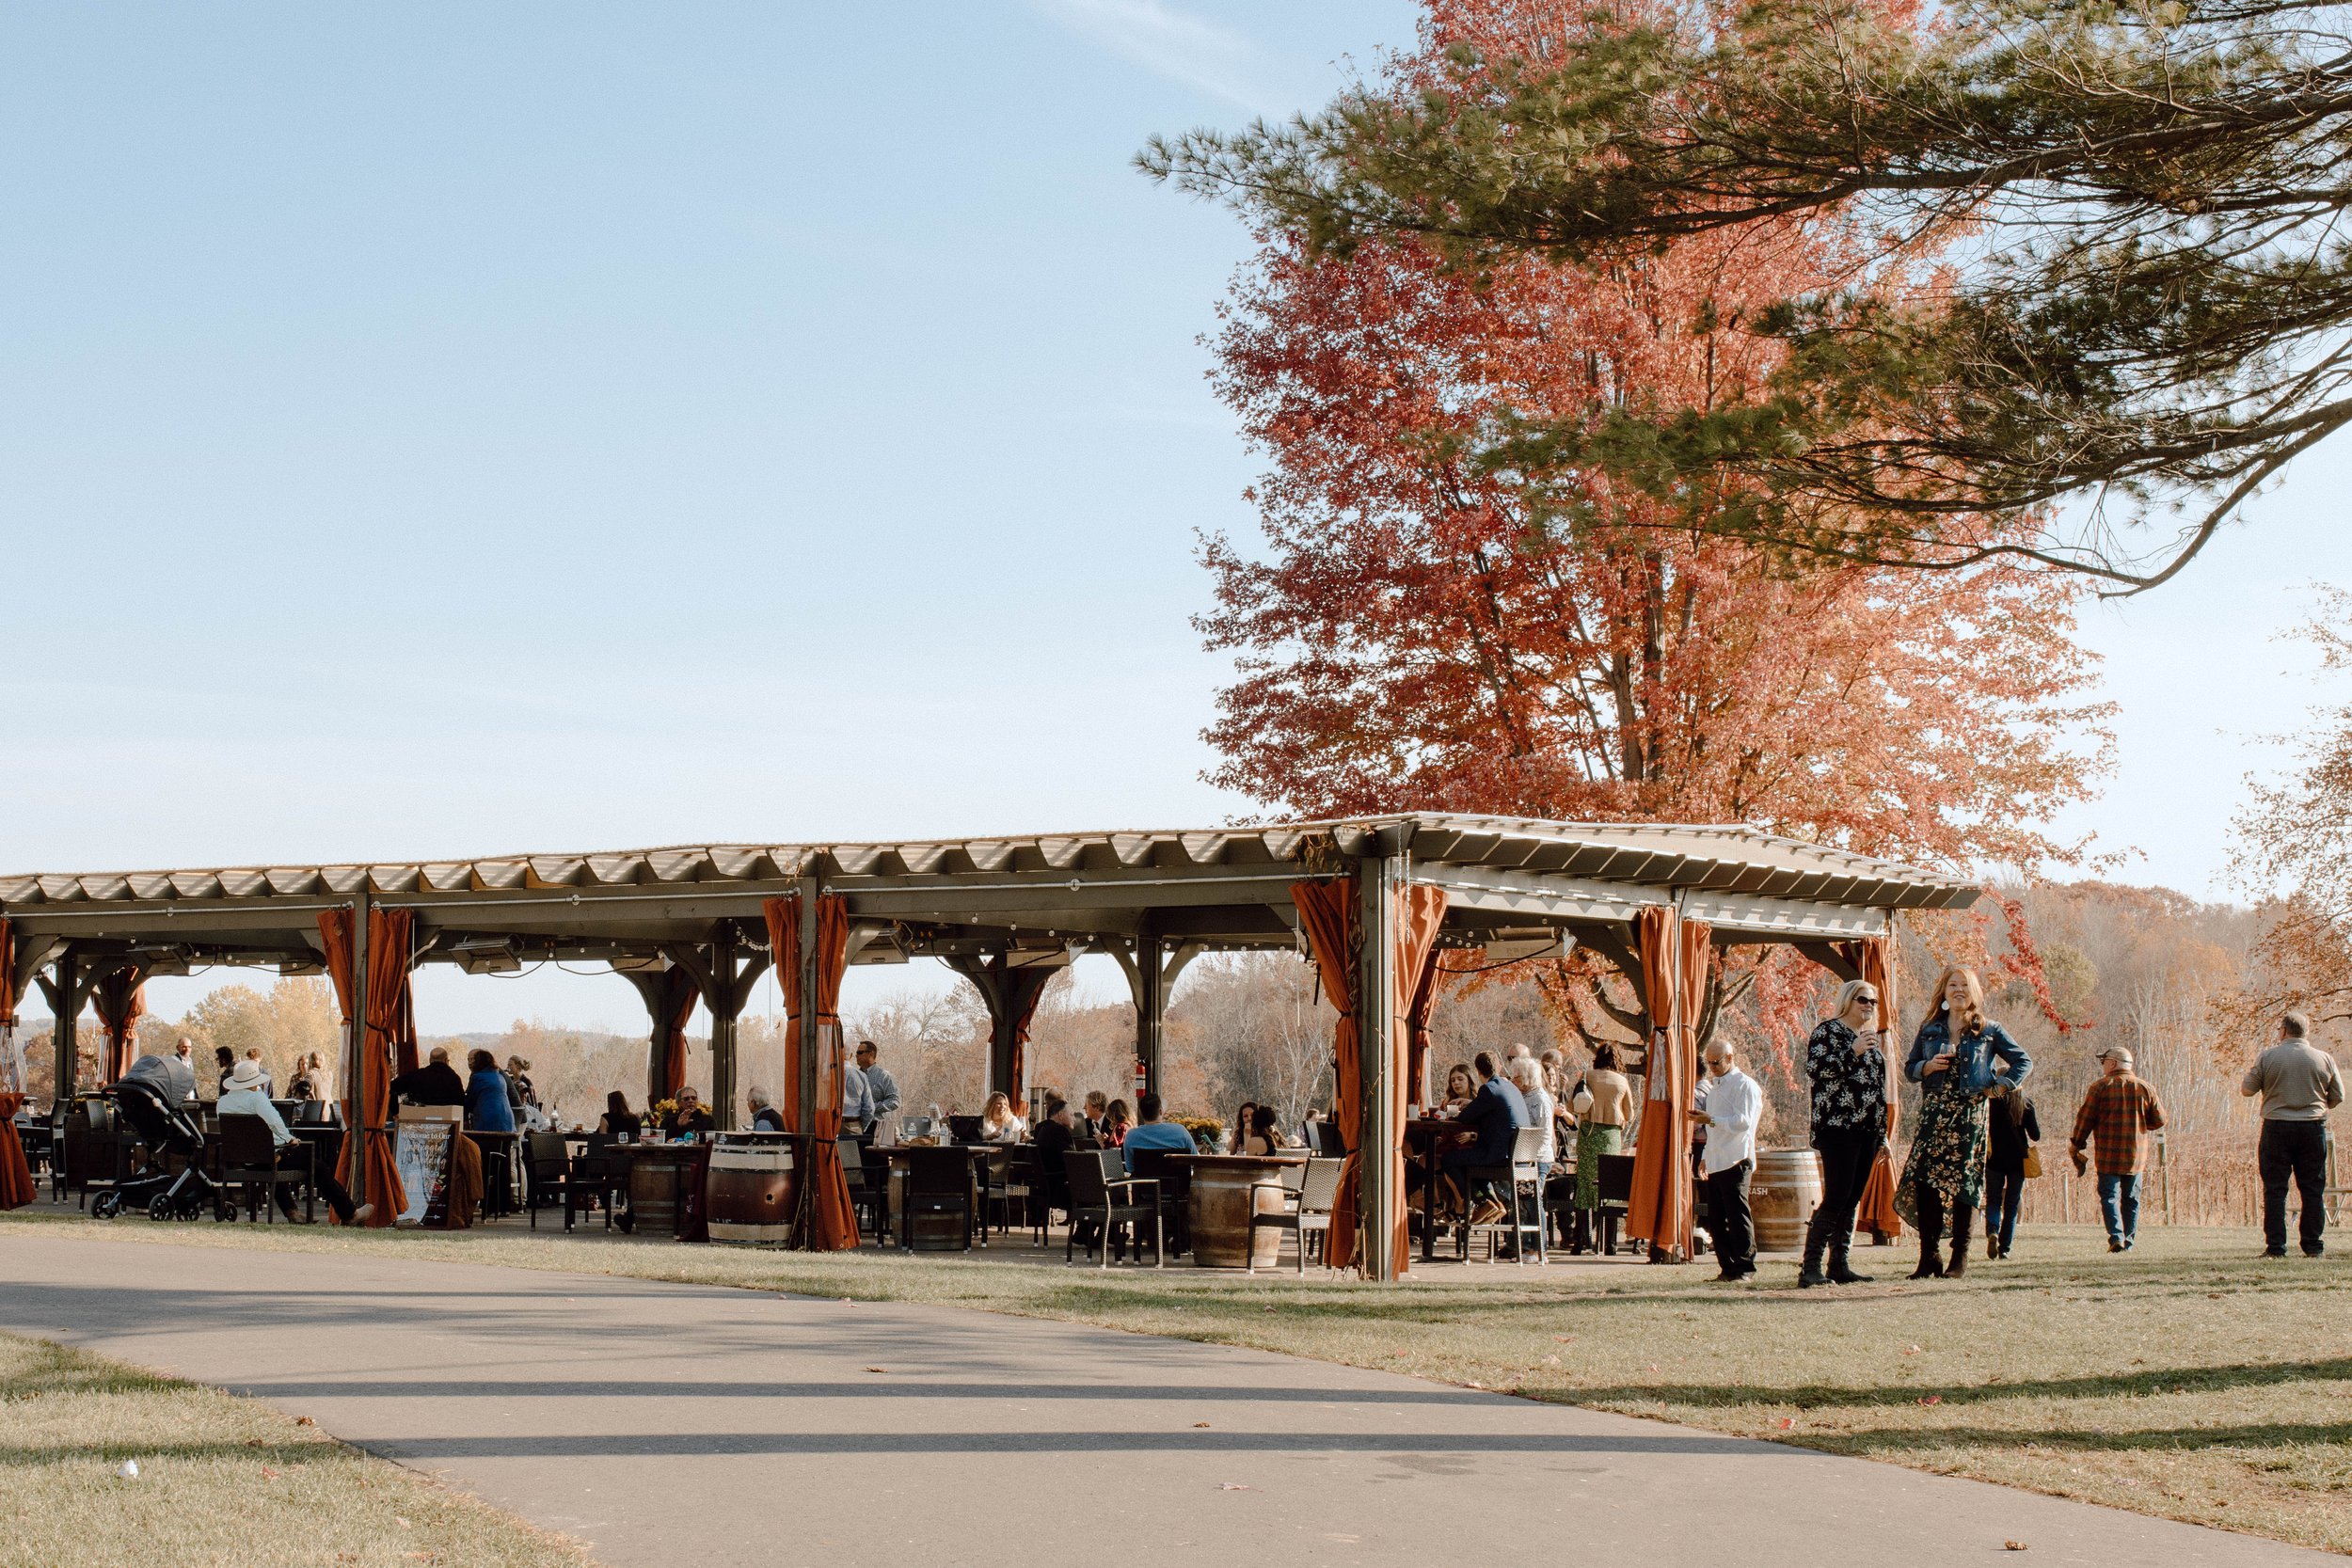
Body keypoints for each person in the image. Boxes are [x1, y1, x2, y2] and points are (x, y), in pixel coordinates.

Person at [1899, 967, 2030, 1279]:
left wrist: (1999, 1087)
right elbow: (1908, 1068)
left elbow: (2023, 1061)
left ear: (1974, 992)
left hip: (1970, 1115)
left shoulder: (1988, 1029)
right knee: (1925, 1182)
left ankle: (1959, 1258)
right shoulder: (1930, 1028)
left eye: (1965, 985)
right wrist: (1926, 1066)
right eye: (1952, 985)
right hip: (1934, 1112)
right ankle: (1929, 1257)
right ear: (1943, 991)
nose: (1958, 990)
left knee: (1964, 1185)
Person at [1800, 978, 1891, 1288]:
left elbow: (1877, 1090)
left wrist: (1883, 1135)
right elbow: (1816, 1068)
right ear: (1848, 1000)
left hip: (1867, 1130)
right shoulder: (1828, 1031)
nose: (1869, 1006)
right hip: (1837, 1128)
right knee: (1837, 1196)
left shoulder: (1869, 1038)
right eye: (1863, 1000)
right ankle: (1809, 1268)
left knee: (1852, 1198)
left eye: (1873, 1002)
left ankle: (1840, 1263)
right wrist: (1852, 1052)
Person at [218, 1057, 373, 1225]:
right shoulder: (257, 1098)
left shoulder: (223, 1102)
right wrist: (289, 1139)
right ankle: (349, 1213)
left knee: (277, 1159)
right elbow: (274, 1121)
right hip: (267, 1158)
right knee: (318, 1167)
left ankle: (292, 1211)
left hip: (242, 1159)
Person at [2242, 1010, 2344, 1259]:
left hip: (2276, 1127)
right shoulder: (2324, 1058)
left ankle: (2276, 1247)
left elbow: (2247, 1089)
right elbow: (2338, 1095)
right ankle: (2313, 1245)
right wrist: (2318, 1105)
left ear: (2284, 1030)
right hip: (2312, 1127)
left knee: (2275, 1189)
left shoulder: (2268, 1057)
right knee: (2312, 1188)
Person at [2069, 1044, 2167, 1253]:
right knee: (2131, 1200)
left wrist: (2077, 1143)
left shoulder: (2099, 1087)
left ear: (2112, 1063)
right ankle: (2129, 1242)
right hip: (2135, 1156)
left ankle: (2116, 1237)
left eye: (2104, 1061)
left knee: (2109, 1196)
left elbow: (2085, 1119)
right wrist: (2140, 1125)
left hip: (2108, 1155)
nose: (2103, 1065)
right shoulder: (2145, 1087)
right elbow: (2160, 1119)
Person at [1694, 1040, 1761, 1281]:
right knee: (1716, 1216)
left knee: (1737, 1214)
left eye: (1717, 1062)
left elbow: (1742, 1123)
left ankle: (1745, 1267)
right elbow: (1713, 1129)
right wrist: (1704, 1156)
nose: (1712, 1067)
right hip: (1716, 1158)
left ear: (1730, 1058)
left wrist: (1710, 1119)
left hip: (1736, 1158)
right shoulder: (1714, 1088)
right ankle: (1727, 1267)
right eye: (1709, 1062)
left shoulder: (1745, 1086)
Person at [1442, 1052, 1531, 1226]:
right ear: (1498, 1067)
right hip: (1522, 1156)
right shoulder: (1510, 1087)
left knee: (1449, 1159)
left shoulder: (1489, 1089)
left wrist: (1468, 1107)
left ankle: (1481, 1203)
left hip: (1499, 1155)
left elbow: (1465, 1118)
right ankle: (1493, 1203)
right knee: (1473, 1165)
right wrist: (1473, 1105)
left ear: (1477, 1071)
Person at [1571, 1044, 1633, 1254]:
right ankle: (1610, 1244)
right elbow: (1630, 1113)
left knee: (1584, 1185)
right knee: (1609, 1187)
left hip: (1589, 1134)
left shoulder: (1587, 1076)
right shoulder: (1622, 1081)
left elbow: (1573, 1106)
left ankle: (1580, 1242)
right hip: (1611, 1137)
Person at [1983, 1081, 2041, 1260]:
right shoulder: (2025, 1104)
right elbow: (2035, 1135)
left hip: (1994, 1159)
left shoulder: (1990, 1104)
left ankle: (1992, 1229)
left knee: (1993, 1200)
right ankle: (2005, 1248)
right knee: (2011, 1205)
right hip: (2017, 1160)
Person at [1119, 1091, 1198, 1171]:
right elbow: (1197, 1160)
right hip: (1179, 1183)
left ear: (1141, 1113)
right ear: (1160, 1111)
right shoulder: (1180, 1131)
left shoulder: (1131, 1136)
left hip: (1145, 1183)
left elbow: (1130, 1168)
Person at [1033, 1093, 1077, 1213]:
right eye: (1072, 1114)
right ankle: (1106, 1231)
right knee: (1101, 1191)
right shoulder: (1059, 1131)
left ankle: (1084, 1230)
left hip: (1047, 1185)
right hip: (1061, 1188)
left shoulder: (1043, 1129)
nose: (1074, 1118)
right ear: (1060, 1115)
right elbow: (1073, 1160)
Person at [390, 1046, 466, 1108]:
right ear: (446, 1060)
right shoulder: (454, 1079)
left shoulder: (415, 1075)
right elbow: (461, 1103)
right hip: (447, 1121)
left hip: (419, 1120)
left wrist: (395, 1111)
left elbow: (392, 1087)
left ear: (430, 1060)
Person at [464, 1050, 516, 1133]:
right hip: (508, 1123)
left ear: (478, 1063)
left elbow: (469, 1102)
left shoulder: (478, 1077)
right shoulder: (500, 1077)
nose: (471, 1063)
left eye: (473, 1060)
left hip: (488, 1122)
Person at [855, 1041, 900, 1130]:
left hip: (878, 1127)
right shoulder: (855, 1076)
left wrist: (871, 1108)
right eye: (857, 1052)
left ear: (871, 1054)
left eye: (860, 1052)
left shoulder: (884, 1076)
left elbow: (894, 1101)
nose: (856, 1055)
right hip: (856, 1127)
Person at [839, 1050, 876, 1137]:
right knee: (853, 1151)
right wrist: (861, 1126)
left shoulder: (827, 1075)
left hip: (831, 1126)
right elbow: (869, 1108)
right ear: (851, 1055)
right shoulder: (861, 1076)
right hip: (854, 1126)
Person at [167, 1038, 199, 1102]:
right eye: (184, 1047)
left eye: (189, 1047)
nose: (187, 1049)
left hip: (192, 1100)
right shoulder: (173, 1061)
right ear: (178, 1048)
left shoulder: (190, 1061)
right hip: (180, 1101)